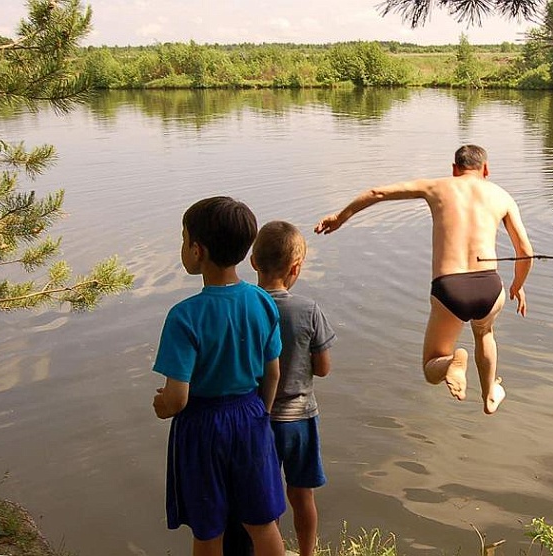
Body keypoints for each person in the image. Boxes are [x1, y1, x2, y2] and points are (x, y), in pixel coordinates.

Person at [314, 144, 533, 415]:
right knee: (484, 332)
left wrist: (340, 217)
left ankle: (453, 361)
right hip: (490, 285)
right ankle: (490, 395)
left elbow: (377, 192)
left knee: (432, 366)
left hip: (450, 287)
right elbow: (525, 253)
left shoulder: (437, 187)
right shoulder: (502, 196)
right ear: (486, 169)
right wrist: (517, 286)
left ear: (454, 169)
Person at [152, 196, 287, 556]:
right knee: (262, 522)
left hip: (202, 427)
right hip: (251, 416)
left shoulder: (184, 316)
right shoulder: (262, 302)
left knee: (208, 527)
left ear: (197, 251)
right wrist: (262, 413)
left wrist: (161, 406)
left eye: (183, 240)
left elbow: (177, 397)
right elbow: (272, 373)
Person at [225, 221, 336, 556]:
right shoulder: (308, 309)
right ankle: (306, 553)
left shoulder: (243, 306)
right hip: (301, 419)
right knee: (302, 495)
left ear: (254, 262)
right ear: (296, 268)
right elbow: (323, 368)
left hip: (258, 419)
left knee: (259, 496)